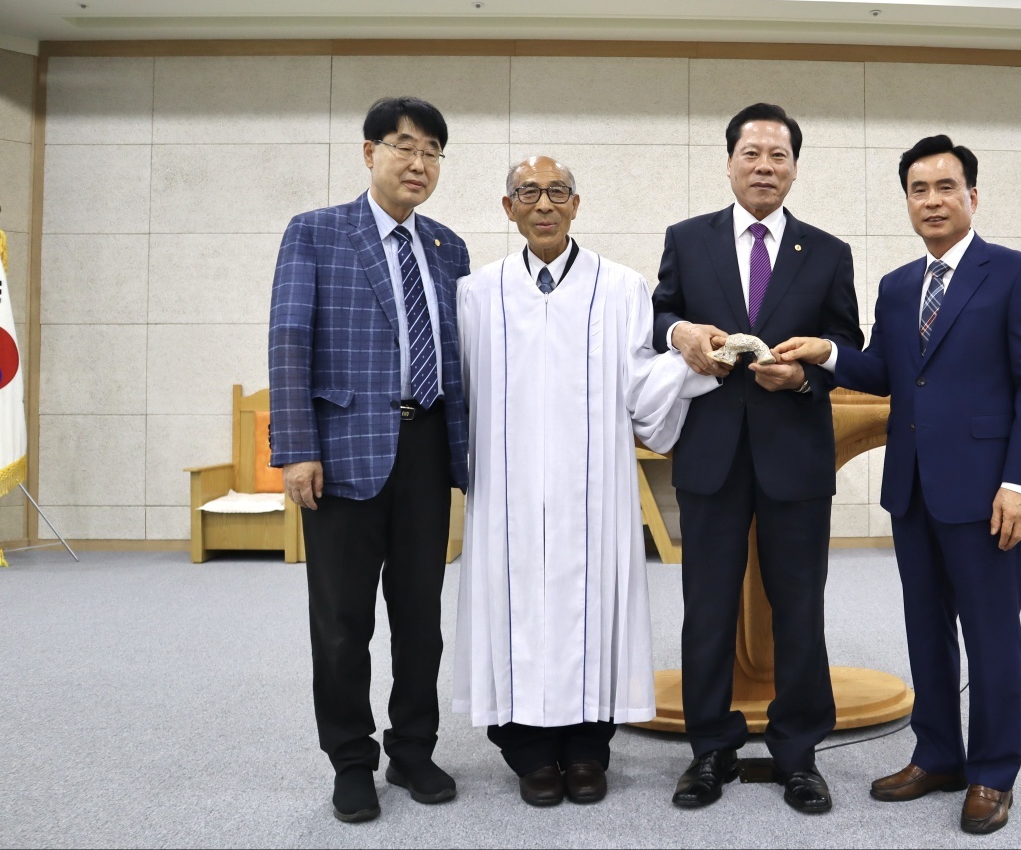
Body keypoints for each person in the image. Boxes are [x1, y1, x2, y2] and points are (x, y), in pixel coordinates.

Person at [774, 135, 1021, 835]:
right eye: (918, 190)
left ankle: (992, 773)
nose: (931, 201)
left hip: (986, 492)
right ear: (906, 201)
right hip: (912, 488)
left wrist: (1019, 484)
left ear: (972, 196)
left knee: (991, 636)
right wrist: (827, 353)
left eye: (945, 187)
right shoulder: (899, 286)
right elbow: (884, 372)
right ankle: (937, 755)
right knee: (925, 630)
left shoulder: (1017, 274)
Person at [453, 155, 713, 808]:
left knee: (592, 607)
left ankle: (587, 750)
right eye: (528, 193)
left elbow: (642, 384)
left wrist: (694, 366)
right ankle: (527, 752)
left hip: (591, 490)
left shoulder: (620, 288)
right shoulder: (477, 294)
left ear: (576, 204)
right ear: (508, 207)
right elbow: (460, 391)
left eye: (557, 192)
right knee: (513, 606)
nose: (543, 204)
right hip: (507, 491)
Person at [652, 103, 863, 814]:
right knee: (706, 608)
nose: (764, 166)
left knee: (799, 608)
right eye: (752, 153)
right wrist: (681, 333)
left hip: (794, 453)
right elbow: (658, 314)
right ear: (729, 162)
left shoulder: (827, 252)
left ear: (795, 168)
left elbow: (847, 345)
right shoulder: (688, 239)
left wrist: (804, 376)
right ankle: (710, 749)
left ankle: (798, 754)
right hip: (709, 452)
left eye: (779, 155)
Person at [268, 97, 470, 823]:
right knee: (342, 621)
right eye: (404, 147)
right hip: (342, 450)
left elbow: (460, 357)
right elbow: (288, 341)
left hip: (427, 448)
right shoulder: (317, 232)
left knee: (421, 617)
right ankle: (351, 760)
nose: (419, 164)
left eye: (432, 152)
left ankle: (412, 748)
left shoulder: (448, 247)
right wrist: (296, 448)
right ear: (369, 152)